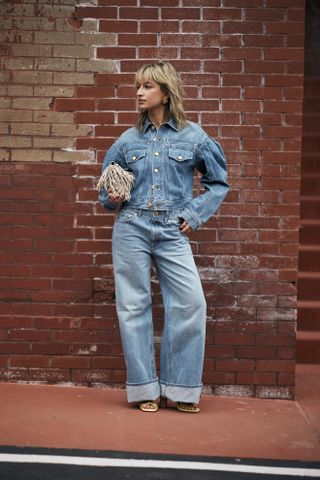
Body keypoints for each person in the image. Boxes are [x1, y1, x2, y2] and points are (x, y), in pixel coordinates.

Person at [98, 62, 229, 413]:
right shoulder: (127, 140)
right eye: (137, 86)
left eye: (147, 86)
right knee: (133, 306)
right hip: (132, 227)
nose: (139, 92)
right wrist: (112, 197)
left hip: (173, 230)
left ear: (166, 93)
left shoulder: (194, 137)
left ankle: (182, 389)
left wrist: (194, 214)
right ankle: (144, 390)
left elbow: (219, 183)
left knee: (190, 303)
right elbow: (105, 191)